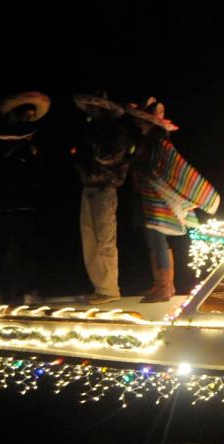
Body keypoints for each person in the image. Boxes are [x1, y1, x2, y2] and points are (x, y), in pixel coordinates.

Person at [127, 97, 219, 303]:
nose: (138, 123)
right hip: (150, 197)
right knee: (155, 240)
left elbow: (174, 170)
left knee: (156, 239)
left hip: (158, 199)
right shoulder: (150, 143)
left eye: (142, 120)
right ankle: (164, 284)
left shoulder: (159, 144)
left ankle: (164, 286)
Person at [0, 91, 50, 305]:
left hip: (26, 203)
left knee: (26, 251)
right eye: (26, 115)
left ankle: (27, 290)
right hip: (4, 202)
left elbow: (37, 171)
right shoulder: (1, 139)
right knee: (2, 249)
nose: (30, 119)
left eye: (32, 116)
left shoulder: (31, 144)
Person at [72, 93, 130, 304]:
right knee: (90, 238)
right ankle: (101, 287)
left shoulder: (114, 131)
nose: (89, 110)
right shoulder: (93, 130)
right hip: (90, 186)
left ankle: (109, 289)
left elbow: (108, 157)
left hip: (105, 187)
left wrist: (88, 143)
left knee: (104, 239)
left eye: (92, 107)